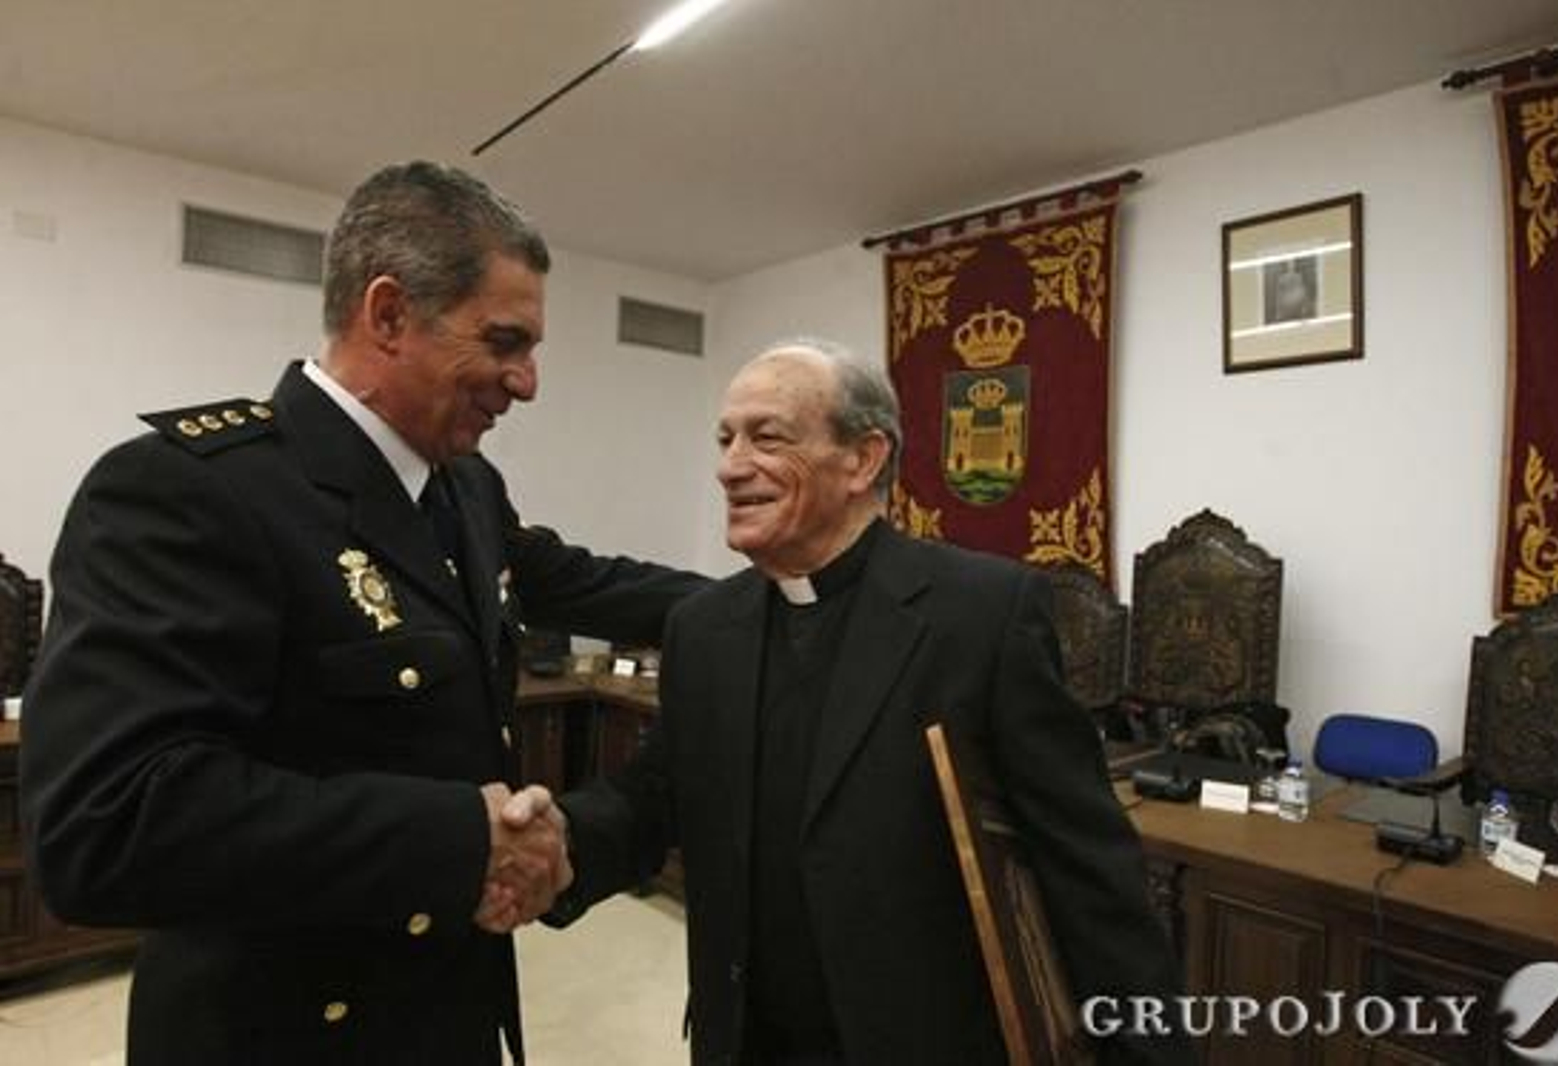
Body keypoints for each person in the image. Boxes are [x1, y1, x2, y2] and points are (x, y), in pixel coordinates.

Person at [20, 161, 705, 1065]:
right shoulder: (190, 490)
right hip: (286, 1034)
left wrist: (756, 597)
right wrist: (458, 839)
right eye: (504, 342)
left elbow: (575, 579)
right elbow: (104, 826)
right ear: (387, 315)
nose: (527, 382)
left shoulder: (465, 487)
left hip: (447, 1015)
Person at [554, 339, 1194, 1064]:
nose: (730, 466)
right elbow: (658, 795)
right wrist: (555, 845)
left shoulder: (981, 615)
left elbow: (1086, 866)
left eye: (767, 437)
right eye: (725, 439)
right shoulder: (702, 627)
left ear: (863, 459)